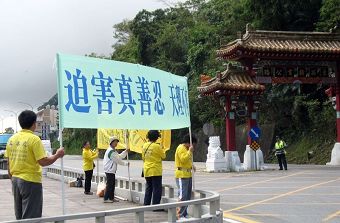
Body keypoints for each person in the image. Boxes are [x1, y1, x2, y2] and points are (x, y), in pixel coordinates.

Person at [4, 110, 65, 220]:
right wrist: (57, 155)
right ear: (34, 123)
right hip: (30, 181)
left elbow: (9, 162)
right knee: (31, 217)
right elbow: (43, 161)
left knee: (19, 216)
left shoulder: (11, 139)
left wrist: (12, 179)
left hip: (15, 180)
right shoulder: (34, 139)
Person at [175, 134, 197, 219]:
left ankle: (184, 213)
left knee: (188, 195)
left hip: (188, 174)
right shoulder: (181, 148)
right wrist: (189, 151)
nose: (193, 147)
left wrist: (192, 166)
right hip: (182, 175)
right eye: (193, 144)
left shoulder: (186, 149)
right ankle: (179, 214)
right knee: (182, 195)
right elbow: (183, 159)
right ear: (189, 143)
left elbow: (187, 161)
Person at [142, 130, 166, 210]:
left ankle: (146, 204)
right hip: (155, 170)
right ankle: (156, 206)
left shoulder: (144, 145)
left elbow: (143, 157)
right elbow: (163, 156)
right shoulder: (157, 146)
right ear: (156, 137)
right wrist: (162, 149)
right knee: (157, 188)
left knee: (149, 187)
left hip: (147, 169)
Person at [103, 136, 129, 203]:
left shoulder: (113, 150)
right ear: (111, 142)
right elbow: (118, 160)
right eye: (115, 142)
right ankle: (106, 198)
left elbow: (119, 156)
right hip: (109, 170)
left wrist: (125, 152)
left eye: (117, 142)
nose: (116, 143)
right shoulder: (111, 151)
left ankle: (111, 198)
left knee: (112, 184)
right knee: (110, 185)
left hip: (111, 170)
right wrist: (126, 164)